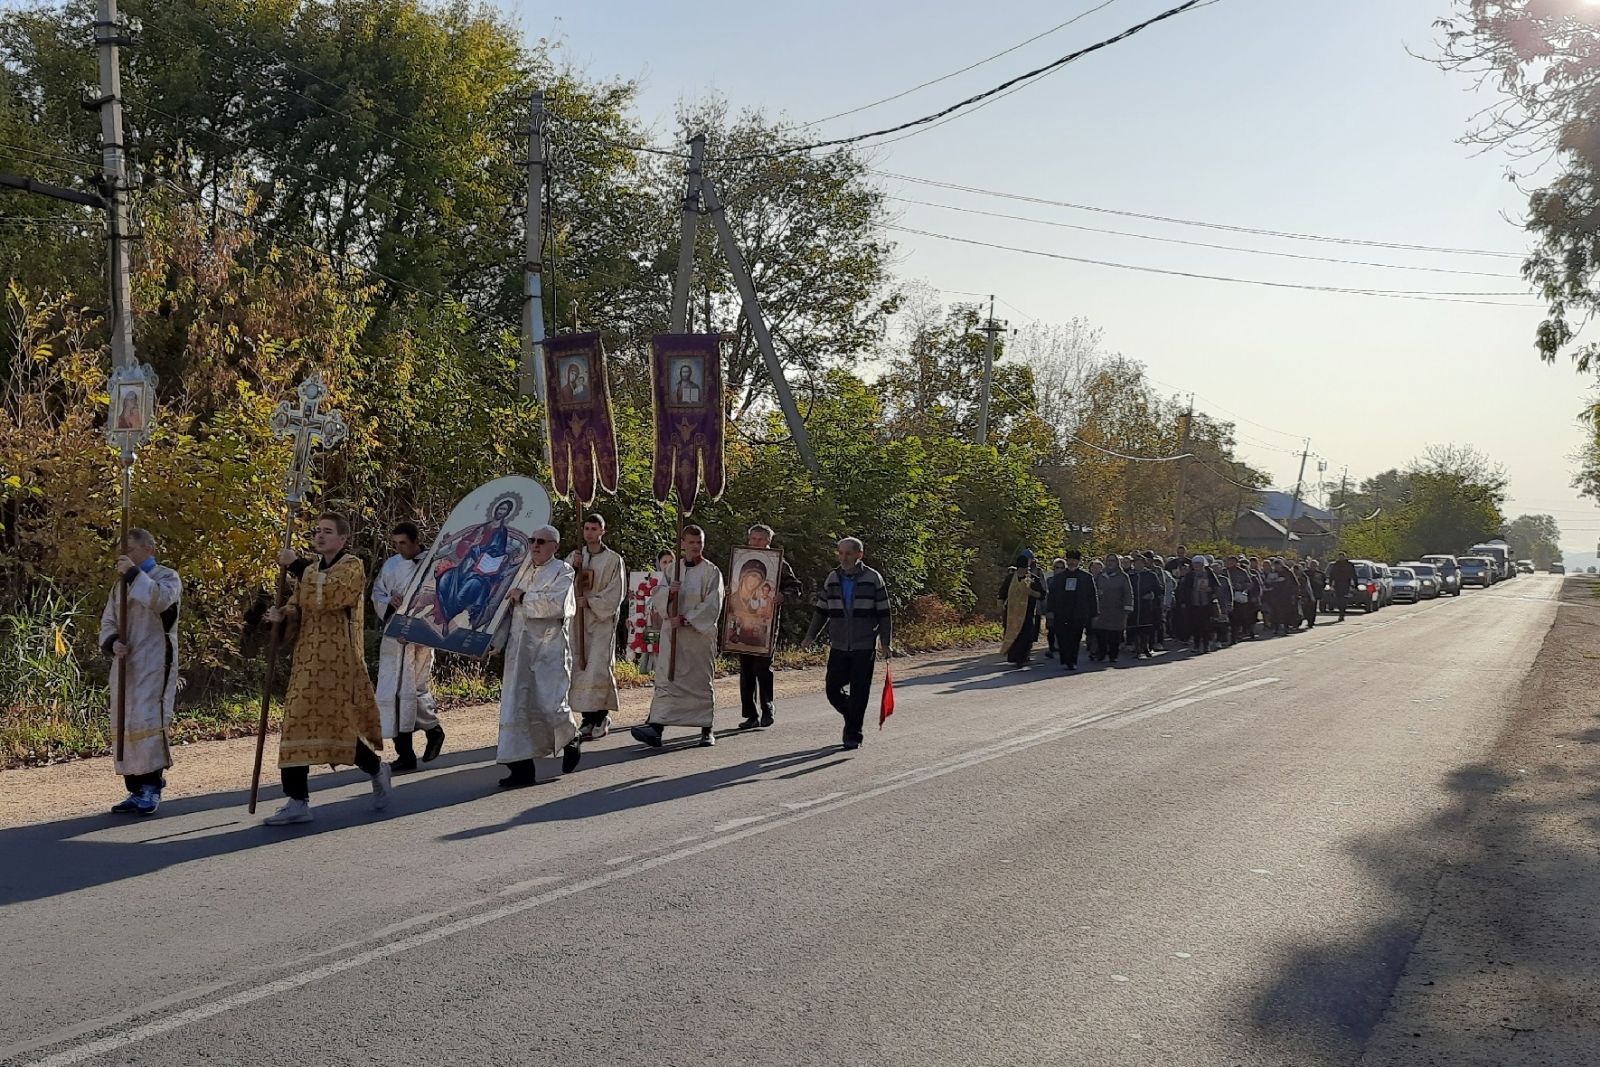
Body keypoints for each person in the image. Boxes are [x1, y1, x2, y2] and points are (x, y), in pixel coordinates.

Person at [263, 513, 389, 826]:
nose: (320, 536)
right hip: (307, 659)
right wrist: (283, 615)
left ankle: (375, 768)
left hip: (339, 662)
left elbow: (331, 595)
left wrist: (295, 566)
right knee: (294, 721)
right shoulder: (312, 569)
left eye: (327, 532)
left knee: (338, 727)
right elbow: (299, 604)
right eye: (317, 531)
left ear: (343, 538)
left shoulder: (351, 566)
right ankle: (297, 801)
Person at [98, 528, 181, 816]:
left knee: (148, 720)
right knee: (126, 722)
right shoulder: (117, 585)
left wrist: (134, 574)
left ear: (149, 548)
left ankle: (152, 786)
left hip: (154, 659)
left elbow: (159, 601)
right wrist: (112, 642)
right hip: (127, 662)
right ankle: (133, 788)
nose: (126, 555)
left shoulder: (166, 576)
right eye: (123, 550)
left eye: (131, 548)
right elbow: (109, 620)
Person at [496, 525, 582, 788]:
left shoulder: (563, 571)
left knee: (550, 703)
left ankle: (570, 737)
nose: (535, 545)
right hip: (518, 648)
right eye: (532, 540)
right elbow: (503, 608)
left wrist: (525, 597)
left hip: (548, 649)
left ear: (555, 546)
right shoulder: (520, 571)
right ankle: (521, 769)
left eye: (542, 541)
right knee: (516, 706)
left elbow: (558, 606)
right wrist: (492, 642)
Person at [632, 526, 725, 749]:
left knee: (699, 681)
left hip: (697, 638)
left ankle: (706, 728)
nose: (695, 546)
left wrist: (685, 619)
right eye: (691, 542)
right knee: (666, 678)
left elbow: (714, 604)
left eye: (699, 542)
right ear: (682, 543)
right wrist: (670, 593)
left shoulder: (712, 572)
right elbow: (658, 597)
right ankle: (656, 726)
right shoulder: (672, 569)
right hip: (672, 635)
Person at [806, 537, 892, 751]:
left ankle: (853, 734)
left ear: (858, 555)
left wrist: (885, 642)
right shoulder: (833, 578)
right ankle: (852, 715)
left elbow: (884, 613)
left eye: (848, 554)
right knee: (832, 689)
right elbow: (821, 611)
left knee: (860, 691)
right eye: (841, 553)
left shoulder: (873, 579)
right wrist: (810, 636)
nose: (844, 558)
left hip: (864, 645)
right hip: (839, 644)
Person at [371, 521, 444, 773]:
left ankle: (434, 731)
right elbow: (377, 594)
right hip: (393, 637)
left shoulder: (432, 564)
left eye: (403, 543)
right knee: (390, 694)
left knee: (413, 690)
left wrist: (415, 628)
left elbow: (440, 599)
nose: (399, 548)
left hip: (419, 638)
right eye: (396, 543)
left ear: (415, 541)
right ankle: (405, 754)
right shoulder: (391, 565)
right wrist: (390, 602)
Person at [736, 524, 802, 730]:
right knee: (746, 669)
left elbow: (795, 587)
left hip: (766, 623)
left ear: (768, 542)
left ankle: (767, 707)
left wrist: (783, 596)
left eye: (760, 539)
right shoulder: (739, 561)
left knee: (762, 667)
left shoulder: (778, 563)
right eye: (752, 539)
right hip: (742, 621)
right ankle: (750, 714)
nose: (755, 543)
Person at [568, 514, 625, 742]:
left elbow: (616, 593)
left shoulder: (613, 560)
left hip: (601, 622)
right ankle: (586, 719)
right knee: (579, 667)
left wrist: (590, 602)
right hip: (578, 621)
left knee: (597, 668)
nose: (589, 532)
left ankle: (601, 716)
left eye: (594, 528)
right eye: (587, 528)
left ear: (603, 531)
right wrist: (573, 568)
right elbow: (560, 581)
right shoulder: (575, 556)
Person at [1044, 551, 1098, 670]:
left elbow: (1092, 597)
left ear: (1078, 562)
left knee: (1075, 638)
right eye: (1070, 560)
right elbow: (1052, 596)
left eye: (1075, 560)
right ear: (1067, 561)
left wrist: (1094, 614)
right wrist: (1050, 611)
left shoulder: (1086, 577)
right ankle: (1065, 658)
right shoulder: (1059, 578)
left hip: (1079, 613)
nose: (1072, 562)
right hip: (1061, 613)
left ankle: (1072, 660)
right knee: (1062, 637)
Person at [999, 551, 1046, 666]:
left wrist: (1030, 592)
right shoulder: (1010, 578)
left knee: (1025, 636)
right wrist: (999, 606)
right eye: (1020, 569)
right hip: (1011, 613)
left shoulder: (1033, 579)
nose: (1023, 571)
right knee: (1012, 634)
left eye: (1025, 569)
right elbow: (1002, 593)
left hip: (1027, 613)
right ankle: (1013, 656)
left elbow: (1042, 595)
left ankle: (1023, 657)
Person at [1091, 553, 1133, 665]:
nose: (1110, 563)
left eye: (1113, 561)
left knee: (1114, 634)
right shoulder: (1100, 576)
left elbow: (1128, 593)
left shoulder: (1123, 576)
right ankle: (1102, 653)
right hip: (1102, 610)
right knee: (1100, 633)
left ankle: (1113, 655)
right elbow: (1092, 591)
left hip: (1117, 610)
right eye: (1109, 561)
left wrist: (1127, 608)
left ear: (1117, 563)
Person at [1176, 556, 1222, 654]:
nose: (1196, 566)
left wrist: (1210, 590)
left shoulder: (1209, 574)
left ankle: (1206, 645)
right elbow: (1183, 590)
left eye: (1198, 564)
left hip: (1206, 603)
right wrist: (1184, 601)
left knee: (1206, 625)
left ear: (1203, 564)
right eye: (1195, 564)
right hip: (1194, 604)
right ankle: (1196, 645)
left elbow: (1217, 587)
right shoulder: (1190, 576)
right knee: (1195, 625)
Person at [1127, 554, 1164, 659]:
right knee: (1134, 628)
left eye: (1140, 563)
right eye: (1136, 563)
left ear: (1144, 564)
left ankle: (1147, 647)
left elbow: (1159, 589)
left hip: (1147, 605)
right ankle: (1137, 648)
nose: (1138, 565)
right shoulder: (1130, 576)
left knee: (1147, 628)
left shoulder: (1150, 575)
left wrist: (1152, 594)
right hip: (1134, 604)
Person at [1041, 557, 1068, 658]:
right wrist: (1047, 610)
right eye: (1057, 567)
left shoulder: (1068, 580)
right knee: (1051, 630)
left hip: (1065, 609)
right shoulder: (1050, 580)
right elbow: (1047, 595)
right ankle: (1051, 648)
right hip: (1052, 607)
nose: (1059, 570)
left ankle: (1063, 648)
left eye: (1062, 568)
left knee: (1064, 630)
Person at [1328, 552, 1357, 621]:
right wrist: (1330, 583)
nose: (1341, 558)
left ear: (1345, 557)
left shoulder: (1349, 565)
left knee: (1344, 599)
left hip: (1346, 583)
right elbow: (1331, 574)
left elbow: (1353, 574)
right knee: (1338, 599)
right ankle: (1340, 611)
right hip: (1337, 584)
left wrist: (1356, 584)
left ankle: (1342, 613)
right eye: (1340, 557)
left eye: (1342, 557)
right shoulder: (1336, 565)